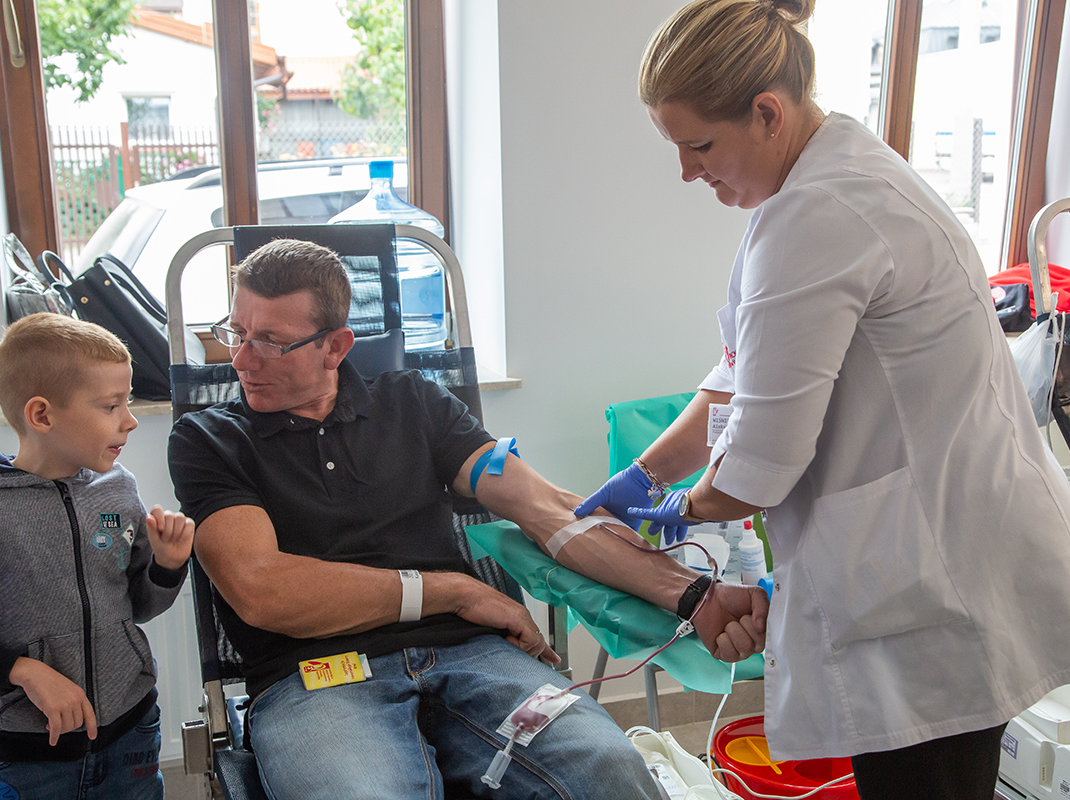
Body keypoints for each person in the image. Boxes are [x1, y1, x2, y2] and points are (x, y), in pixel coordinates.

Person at [575, 1, 1070, 798]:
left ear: (767, 113)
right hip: (936, 545)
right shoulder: (823, 178)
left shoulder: (822, 211)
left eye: (699, 146)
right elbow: (739, 370)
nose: (687, 171)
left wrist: (682, 511)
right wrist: (648, 473)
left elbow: (759, 463)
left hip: (936, 573)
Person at [166, 238, 766, 800]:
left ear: (335, 346)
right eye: (236, 332)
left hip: (473, 656)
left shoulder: (413, 402)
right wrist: (455, 591)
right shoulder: (209, 440)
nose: (241, 359)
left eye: (271, 342)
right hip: (315, 676)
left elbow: (549, 513)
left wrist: (696, 596)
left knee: (608, 769)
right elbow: (263, 591)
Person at [0, 312, 195, 800]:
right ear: (41, 416)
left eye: (128, 401)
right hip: (29, 758)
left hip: (132, 733)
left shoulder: (118, 488)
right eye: (111, 406)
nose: (129, 420)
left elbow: (137, 605)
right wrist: (22, 670)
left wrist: (167, 566)